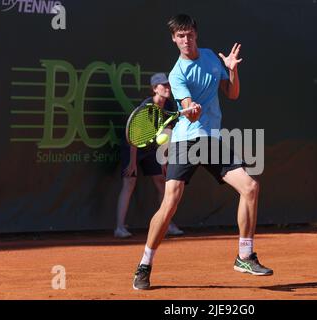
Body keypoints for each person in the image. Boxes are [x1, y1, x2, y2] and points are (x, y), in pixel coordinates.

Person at [132, 14, 273, 290]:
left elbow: (232, 94)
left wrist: (232, 70)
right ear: (174, 39)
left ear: (196, 35)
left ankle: (245, 255)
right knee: (170, 203)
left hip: (212, 140)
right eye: (180, 36)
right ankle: (144, 265)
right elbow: (190, 110)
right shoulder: (176, 73)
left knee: (251, 187)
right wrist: (191, 107)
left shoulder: (210, 57)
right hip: (186, 141)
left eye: (189, 34)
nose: (186, 40)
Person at [115, 73, 185, 238]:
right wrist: (132, 163)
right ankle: (119, 227)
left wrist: (163, 159)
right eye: (164, 85)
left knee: (161, 183)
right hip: (133, 144)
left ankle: (167, 224)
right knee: (130, 181)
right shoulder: (146, 107)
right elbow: (134, 136)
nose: (168, 88)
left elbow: (167, 133)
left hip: (152, 147)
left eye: (168, 85)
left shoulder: (169, 106)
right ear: (155, 89)